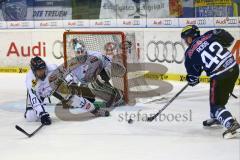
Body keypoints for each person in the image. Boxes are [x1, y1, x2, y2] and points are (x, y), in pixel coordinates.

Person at [181, 25, 240, 139]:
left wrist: (191, 79)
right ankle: (216, 117)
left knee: (216, 105)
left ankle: (232, 125)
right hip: (234, 68)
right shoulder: (209, 34)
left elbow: (194, 78)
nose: (186, 41)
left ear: (190, 37)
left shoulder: (189, 54)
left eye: (186, 39)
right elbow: (229, 39)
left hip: (220, 75)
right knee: (215, 95)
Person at [25, 56, 109, 125]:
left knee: (72, 97)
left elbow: (66, 74)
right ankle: (31, 111)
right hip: (39, 93)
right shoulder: (30, 79)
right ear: (33, 70)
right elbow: (34, 98)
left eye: (43, 69)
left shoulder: (52, 68)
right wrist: (42, 114)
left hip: (52, 86)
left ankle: (95, 110)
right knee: (31, 117)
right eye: (39, 70)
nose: (42, 72)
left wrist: (69, 82)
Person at [64, 38, 126, 107]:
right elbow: (76, 81)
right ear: (75, 53)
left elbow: (97, 73)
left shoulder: (94, 56)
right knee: (88, 87)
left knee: (95, 82)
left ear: (85, 50)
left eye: (82, 51)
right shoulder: (74, 65)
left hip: (116, 68)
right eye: (78, 52)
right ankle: (115, 96)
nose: (81, 54)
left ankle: (117, 95)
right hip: (101, 72)